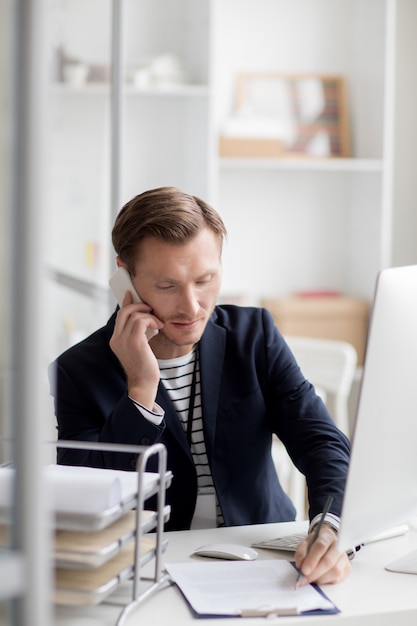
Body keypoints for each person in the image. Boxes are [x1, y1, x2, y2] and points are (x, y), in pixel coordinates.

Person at [49, 186, 351, 586]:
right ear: (125, 277)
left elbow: (322, 442)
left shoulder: (254, 335)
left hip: (262, 552)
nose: (192, 307)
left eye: (205, 280)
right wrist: (141, 388)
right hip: (148, 567)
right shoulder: (77, 371)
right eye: (168, 286)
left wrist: (328, 526)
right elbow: (88, 498)